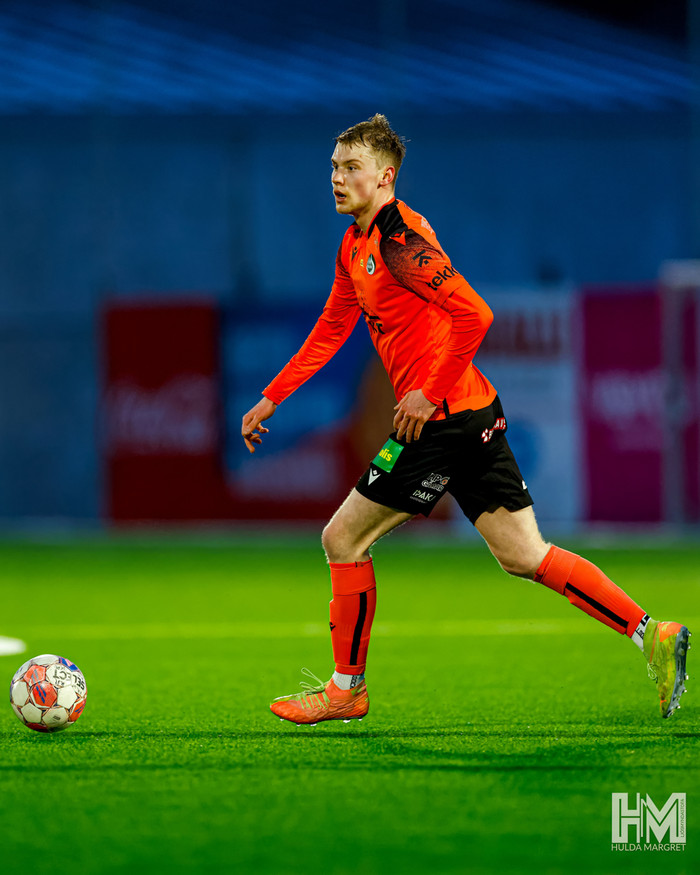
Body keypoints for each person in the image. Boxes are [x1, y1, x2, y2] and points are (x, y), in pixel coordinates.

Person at [241, 113, 690, 725]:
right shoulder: (355, 244)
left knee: (342, 539)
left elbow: (476, 315)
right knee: (525, 555)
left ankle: (347, 689)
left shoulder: (401, 243)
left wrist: (426, 393)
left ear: (385, 177)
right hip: (474, 412)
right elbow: (332, 327)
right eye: (334, 167)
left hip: (441, 421)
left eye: (351, 168)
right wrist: (273, 396)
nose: (337, 179)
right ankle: (652, 633)